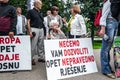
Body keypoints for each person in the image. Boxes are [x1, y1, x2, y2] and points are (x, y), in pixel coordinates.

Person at [99, 0, 118, 79]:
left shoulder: (115, 2)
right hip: (109, 23)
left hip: (115, 23)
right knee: (105, 48)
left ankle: (108, 68)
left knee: (109, 48)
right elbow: (103, 16)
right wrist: (102, 28)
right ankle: (105, 70)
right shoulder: (109, 2)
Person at [27, 0, 45, 65]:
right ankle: (31, 58)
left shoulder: (40, 12)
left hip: (41, 29)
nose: (41, 5)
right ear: (36, 4)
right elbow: (28, 22)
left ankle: (41, 57)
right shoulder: (30, 11)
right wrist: (30, 31)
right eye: (40, 4)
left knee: (41, 44)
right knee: (33, 45)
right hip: (34, 28)